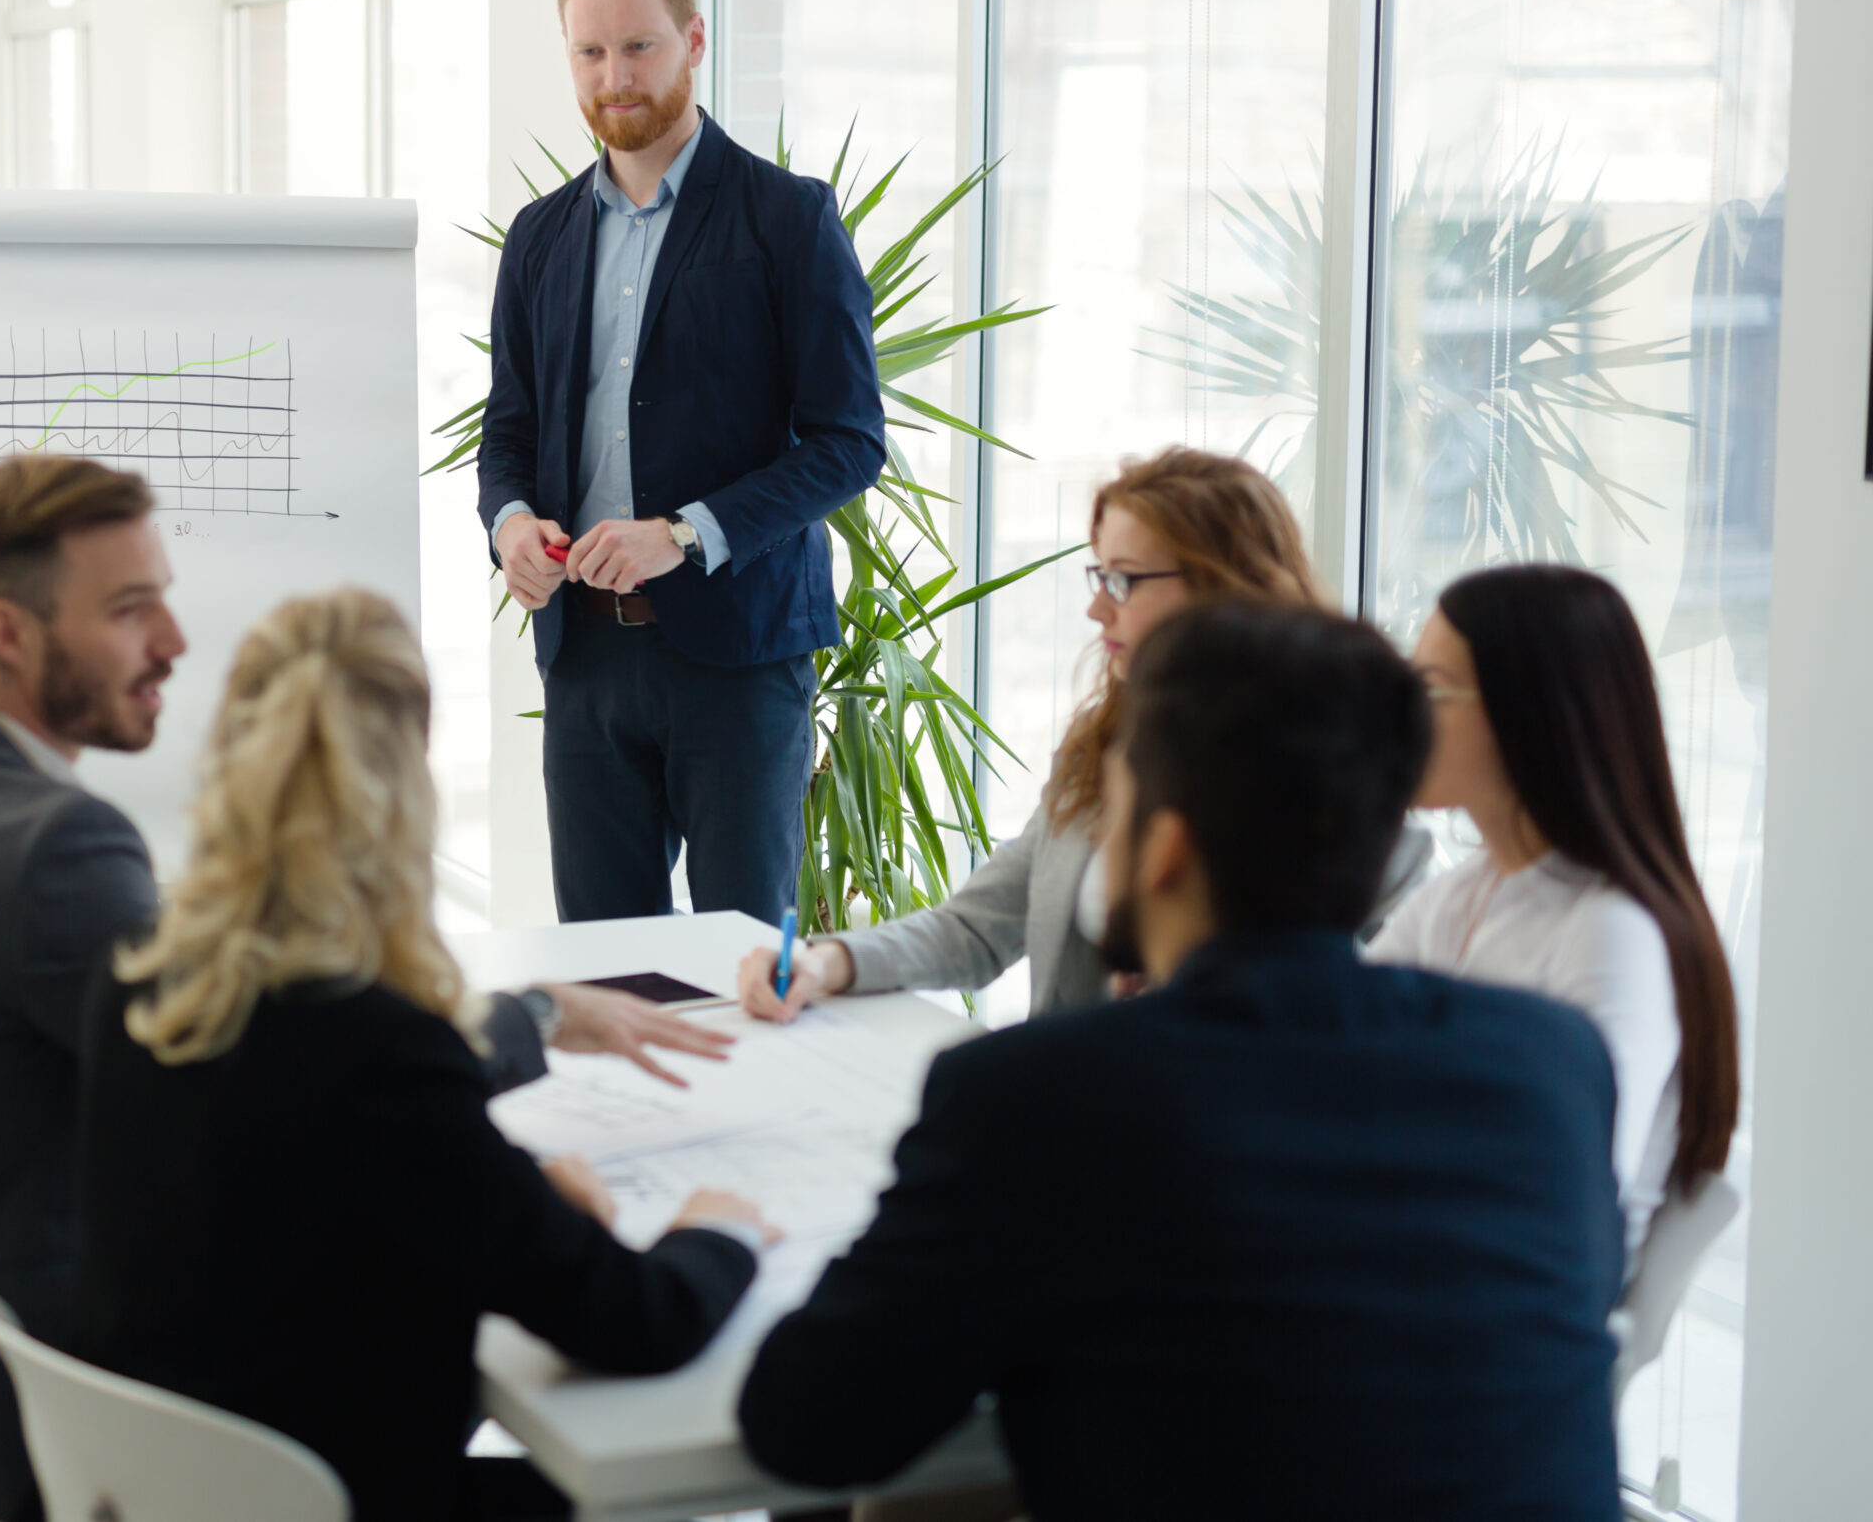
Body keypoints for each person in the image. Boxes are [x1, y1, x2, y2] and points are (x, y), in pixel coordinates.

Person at [0, 456, 737, 1521]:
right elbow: (275, 1051)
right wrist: (519, 1050)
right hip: (50, 1417)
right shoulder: (47, 851)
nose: (173, 641)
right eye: (132, 610)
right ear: (6, 634)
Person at [737, 603, 1628, 1521]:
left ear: (1163, 847)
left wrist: (723, 1240)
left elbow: (806, 1425)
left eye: (1114, 808)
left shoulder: (1041, 1098)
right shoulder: (1553, 1063)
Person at [72, 589, 771, 1522]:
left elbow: (310, 1142)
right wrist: (716, 1231)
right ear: (406, 786)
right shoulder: (387, 1056)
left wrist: (518, 1178)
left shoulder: (140, 984)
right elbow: (635, 1320)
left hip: (172, 1489)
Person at [477, 0, 885, 925]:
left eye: (638, 46)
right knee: (606, 970)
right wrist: (510, 524)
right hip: (584, 664)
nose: (612, 75)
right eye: (589, 51)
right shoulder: (539, 238)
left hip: (740, 662)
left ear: (693, 42)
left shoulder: (787, 219)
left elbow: (849, 442)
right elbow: (508, 434)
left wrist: (684, 537)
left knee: (745, 966)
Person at [736, 447, 1429, 1023]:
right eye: (1099, 575)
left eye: (1124, 580)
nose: (1097, 608)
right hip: (1076, 1113)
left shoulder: (1344, 778)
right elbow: (978, 926)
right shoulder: (1106, 746)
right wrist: (832, 961)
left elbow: (1372, 1014)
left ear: (1223, 582)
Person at [1369, 564, 1741, 1260]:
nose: (1405, 716)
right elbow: (1327, 1046)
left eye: (1431, 689)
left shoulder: (1612, 930)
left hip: (1508, 1307)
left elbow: (1566, 1180)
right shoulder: (1462, 895)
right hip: (1438, 1274)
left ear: (1530, 714)